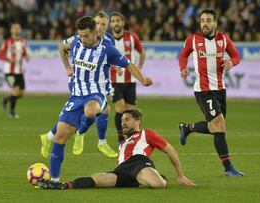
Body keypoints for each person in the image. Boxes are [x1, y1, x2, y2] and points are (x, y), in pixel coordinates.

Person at [47, 16, 152, 184]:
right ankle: (53, 181)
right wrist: (67, 67)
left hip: (97, 94)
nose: (83, 39)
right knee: (59, 137)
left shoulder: (107, 49)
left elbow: (129, 64)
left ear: (96, 32)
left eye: (86, 35)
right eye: (80, 35)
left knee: (90, 110)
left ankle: (81, 132)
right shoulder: (76, 43)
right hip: (76, 95)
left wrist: (143, 79)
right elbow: (62, 47)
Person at [37, 109, 195, 189]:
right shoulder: (122, 144)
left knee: (158, 185)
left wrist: (180, 175)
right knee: (97, 179)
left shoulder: (147, 134)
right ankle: (63, 185)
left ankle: (160, 178)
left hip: (139, 162)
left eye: (127, 119)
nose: (123, 123)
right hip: (122, 170)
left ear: (137, 121)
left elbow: (170, 150)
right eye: (122, 120)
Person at [40, 11, 118, 158]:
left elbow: (108, 62)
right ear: (93, 24)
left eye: (103, 24)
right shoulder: (80, 38)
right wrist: (68, 68)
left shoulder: (109, 41)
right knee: (96, 110)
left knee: (102, 110)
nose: (100, 27)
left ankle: (49, 136)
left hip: (98, 83)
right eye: (98, 23)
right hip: (80, 82)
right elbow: (62, 46)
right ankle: (86, 137)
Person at [178, 9, 244, 177]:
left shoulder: (223, 39)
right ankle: (228, 168)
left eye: (208, 20)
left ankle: (187, 128)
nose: (204, 24)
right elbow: (183, 55)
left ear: (215, 23)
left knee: (216, 128)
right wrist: (183, 68)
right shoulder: (193, 40)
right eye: (202, 20)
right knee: (219, 125)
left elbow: (237, 56)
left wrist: (231, 62)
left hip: (220, 89)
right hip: (203, 90)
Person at [109, 12, 146, 144]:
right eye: (113, 21)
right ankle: (120, 138)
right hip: (114, 80)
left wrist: (139, 69)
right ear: (110, 24)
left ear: (123, 23)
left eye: (118, 20)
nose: (116, 23)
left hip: (130, 80)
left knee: (130, 111)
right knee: (119, 107)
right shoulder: (107, 40)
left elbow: (142, 53)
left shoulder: (132, 37)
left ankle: (131, 137)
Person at [0, 22, 29, 119]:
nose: (16, 29)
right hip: (9, 72)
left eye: (18, 28)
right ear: (11, 30)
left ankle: (5, 99)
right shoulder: (7, 42)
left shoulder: (23, 41)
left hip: (19, 71)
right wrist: (8, 59)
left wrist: (26, 56)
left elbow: (24, 53)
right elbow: (0, 54)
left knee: (22, 93)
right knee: (15, 91)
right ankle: (12, 113)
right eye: (14, 28)